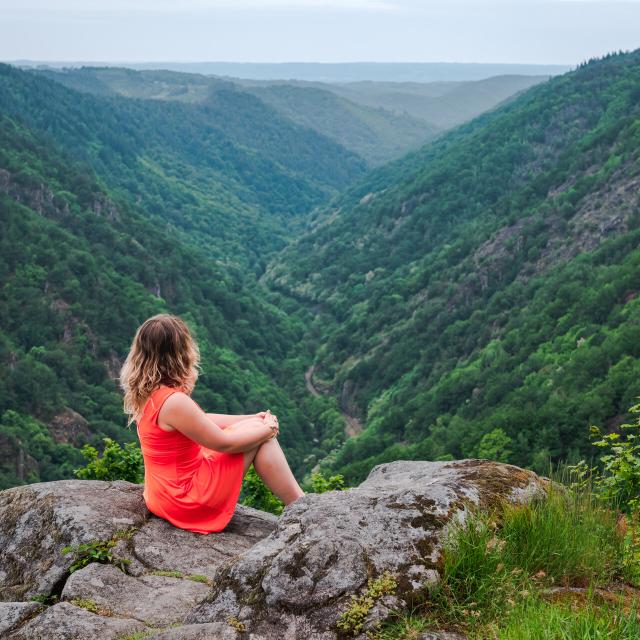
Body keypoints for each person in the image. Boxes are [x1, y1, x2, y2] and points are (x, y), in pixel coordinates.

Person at [119, 313, 305, 533]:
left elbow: (201, 420)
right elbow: (224, 444)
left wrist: (251, 418)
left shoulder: (148, 392)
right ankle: (302, 506)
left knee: (254, 429)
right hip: (186, 500)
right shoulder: (174, 401)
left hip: (161, 495)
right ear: (179, 353)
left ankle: (300, 503)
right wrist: (268, 429)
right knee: (261, 439)